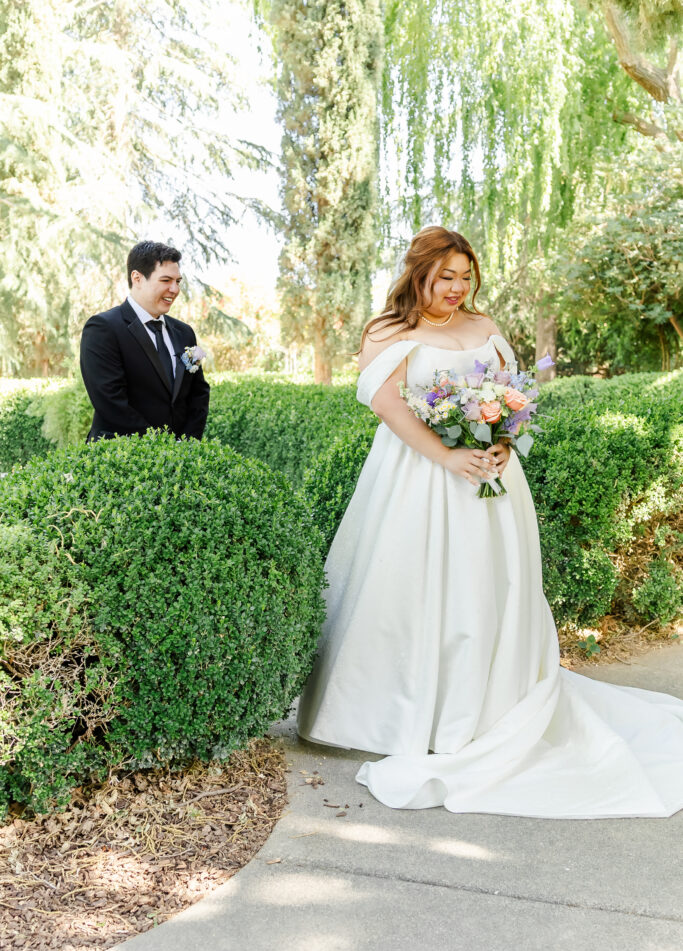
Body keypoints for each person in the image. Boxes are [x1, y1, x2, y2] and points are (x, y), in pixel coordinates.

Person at [297, 225, 683, 818]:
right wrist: (447, 455)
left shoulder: (484, 328)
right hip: (416, 481)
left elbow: (512, 399)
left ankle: (490, 709)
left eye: (465, 276)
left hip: (492, 482)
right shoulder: (388, 330)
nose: (456, 288)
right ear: (417, 273)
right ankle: (401, 713)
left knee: (488, 588)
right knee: (414, 586)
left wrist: (505, 442)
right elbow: (389, 405)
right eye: (444, 276)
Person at [80, 241, 210, 441]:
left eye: (178, 281)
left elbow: (198, 392)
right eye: (166, 280)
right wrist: (161, 447)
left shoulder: (185, 333)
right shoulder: (103, 328)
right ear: (137, 278)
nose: (174, 289)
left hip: (181, 461)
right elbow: (110, 402)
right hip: (122, 457)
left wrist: (187, 446)